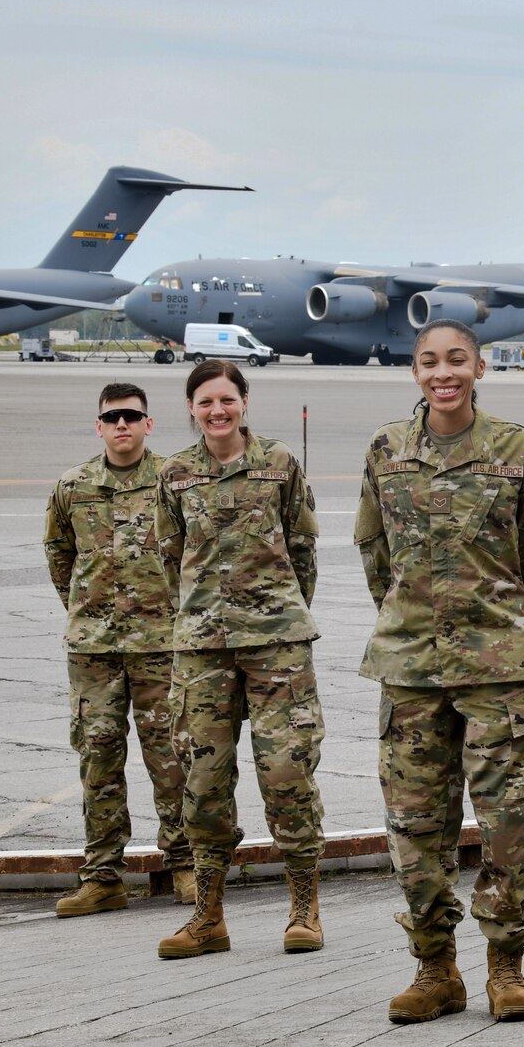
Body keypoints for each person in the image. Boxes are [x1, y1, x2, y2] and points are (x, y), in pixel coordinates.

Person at [355, 320, 524, 1024]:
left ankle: (506, 963)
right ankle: (434, 967)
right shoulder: (386, 450)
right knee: (415, 823)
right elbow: (374, 552)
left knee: (505, 820)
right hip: (410, 665)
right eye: (428, 361)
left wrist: (518, 630)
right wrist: (408, 616)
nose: (442, 372)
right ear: (414, 370)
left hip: (499, 665)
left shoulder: (516, 449)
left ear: (479, 366)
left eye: (455, 359)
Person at [155, 360, 328, 958]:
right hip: (201, 648)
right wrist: (200, 615)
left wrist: (281, 612)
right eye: (205, 402)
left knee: (286, 774)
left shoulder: (279, 464)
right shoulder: (175, 474)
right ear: (191, 409)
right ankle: (208, 916)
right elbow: (168, 555)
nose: (217, 411)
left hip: (277, 643)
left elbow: (303, 547)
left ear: (244, 401)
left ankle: (304, 904)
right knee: (201, 783)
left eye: (226, 400)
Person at [43, 383, 192, 917]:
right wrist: (87, 611)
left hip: (161, 643)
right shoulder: (73, 486)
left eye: (132, 415)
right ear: (99, 425)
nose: (122, 424)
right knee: (98, 758)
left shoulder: (173, 481)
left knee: (170, 755)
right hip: (94, 649)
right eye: (112, 417)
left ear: (149, 424)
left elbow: (193, 552)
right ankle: (103, 876)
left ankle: (184, 866)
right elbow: (61, 555)